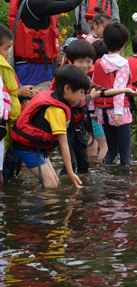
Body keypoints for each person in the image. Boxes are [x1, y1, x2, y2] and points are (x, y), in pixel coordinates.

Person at [62, 39, 137, 168]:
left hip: (79, 126)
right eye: (80, 62)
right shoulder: (65, 77)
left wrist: (125, 90)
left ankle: (82, 183)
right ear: (70, 61)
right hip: (66, 127)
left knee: (83, 163)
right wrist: (89, 98)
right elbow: (67, 103)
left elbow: (101, 90)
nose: (85, 65)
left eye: (88, 61)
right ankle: (68, 179)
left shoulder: (86, 80)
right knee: (70, 162)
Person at [10, 65, 89, 188]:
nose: (82, 96)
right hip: (28, 148)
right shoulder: (56, 110)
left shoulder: (54, 97)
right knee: (51, 185)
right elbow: (63, 145)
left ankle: (34, 202)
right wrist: (71, 172)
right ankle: (24, 205)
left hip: (37, 147)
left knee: (54, 182)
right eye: (81, 92)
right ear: (67, 89)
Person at [7, 0, 83, 92]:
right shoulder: (32, 4)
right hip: (36, 73)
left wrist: (55, 54)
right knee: (39, 104)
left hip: (30, 67)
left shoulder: (25, 3)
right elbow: (70, 3)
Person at [92, 22, 132, 165]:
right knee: (125, 153)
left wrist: (93, 112)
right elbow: (119, 89)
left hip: (102, 112)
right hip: (118, 112)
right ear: (124, 45)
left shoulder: (98, 62)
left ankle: (106, 177)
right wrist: (119, 113)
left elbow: (93, 88)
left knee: (112, 150)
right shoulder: (123, 63)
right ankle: (124, 182)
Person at [0, 24, 25, 183]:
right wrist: (18, 120)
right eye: (6, 48)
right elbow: (11, 94)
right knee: (6, 162)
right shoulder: (3, 66)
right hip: (6, 124)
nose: (8, 53)